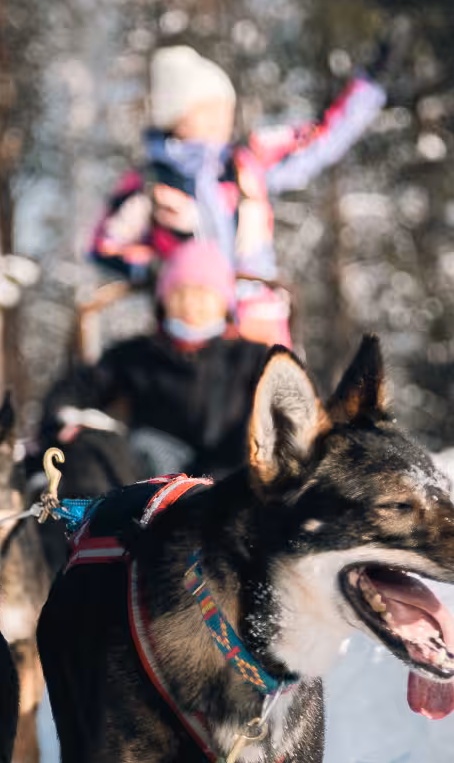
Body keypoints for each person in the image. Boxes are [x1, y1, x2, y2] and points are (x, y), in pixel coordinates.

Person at [89, 43, 386, 347]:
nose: (222, 119)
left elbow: (319, 140)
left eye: (225, 109)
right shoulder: (149, 183)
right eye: (208, 110)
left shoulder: (246, 162)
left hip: (259, 319)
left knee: (280, 391)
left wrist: (368, 87)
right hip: (191, 325)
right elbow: (105, 246)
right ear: (176, 117)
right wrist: (162, 270)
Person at [49, 242, 272, 479]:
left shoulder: (253, 358)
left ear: (223, 303)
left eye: (202, 294)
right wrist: (64, 422)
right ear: (164, 301)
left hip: (234, 481)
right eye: (180, 293)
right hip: (152, 480)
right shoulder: (137, 355)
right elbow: (74, 390)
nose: (190, 304)